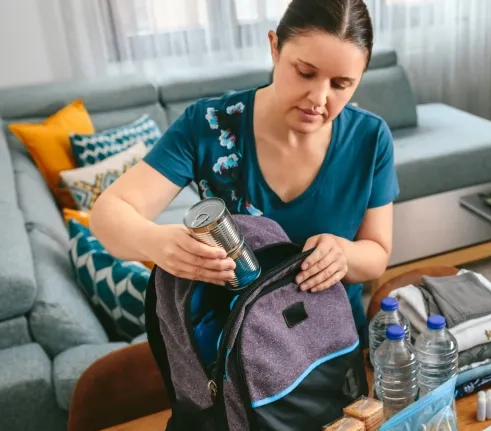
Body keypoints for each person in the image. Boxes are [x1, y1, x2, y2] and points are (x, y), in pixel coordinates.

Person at [91, 0, 398, 343]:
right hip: (235, 356)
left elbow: (377, 252)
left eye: (341, 84)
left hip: (332, 348)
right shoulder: (207, 125)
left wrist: (345, 255)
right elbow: (107, 214)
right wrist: (157, 243)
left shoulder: (370, 138)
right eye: (305, 73)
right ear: (274, 47)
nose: (318, 98)